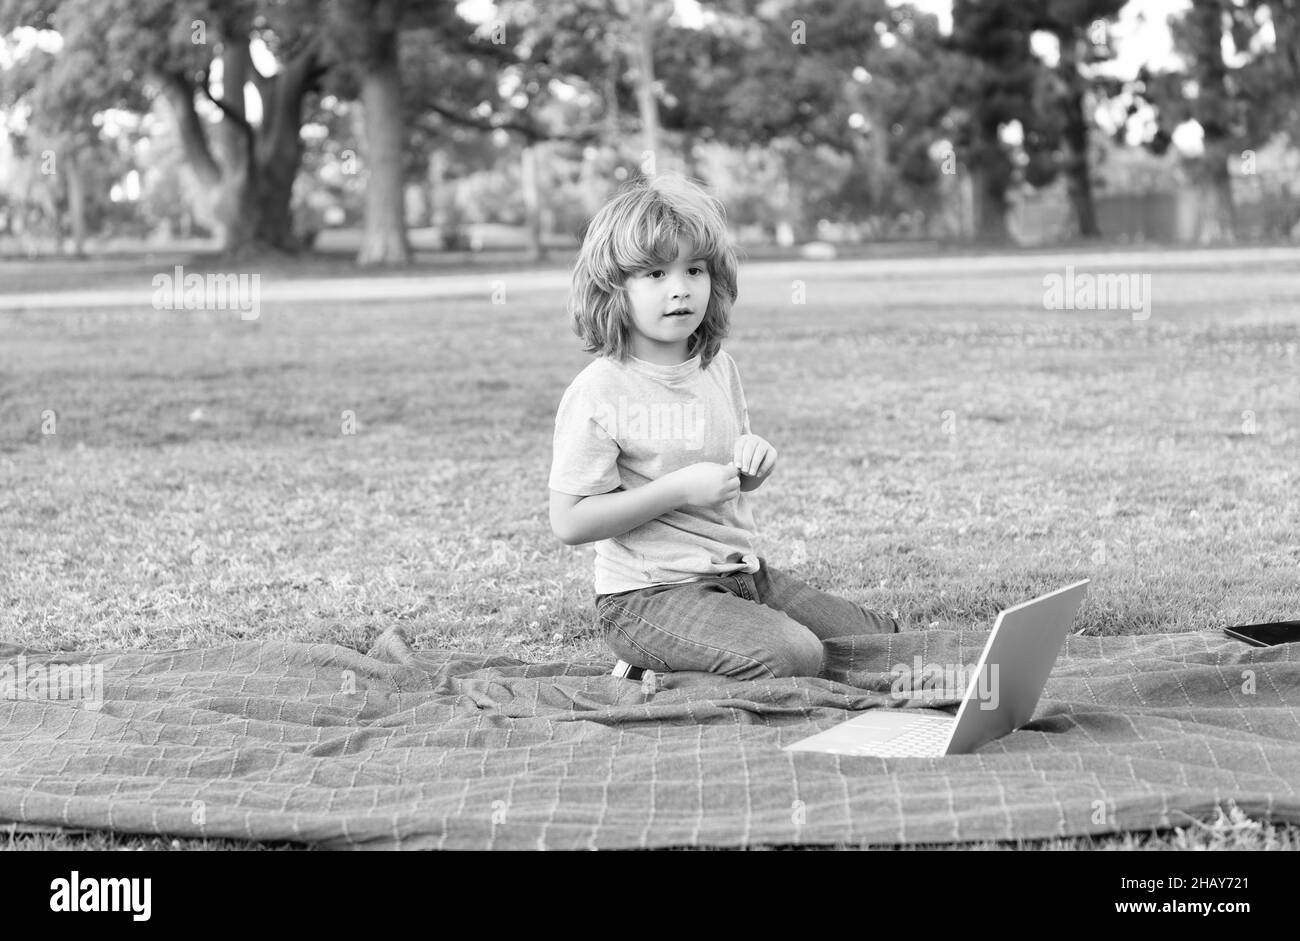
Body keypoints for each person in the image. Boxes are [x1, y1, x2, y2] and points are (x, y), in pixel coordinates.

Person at [548, 171, 900, 684]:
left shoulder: (717, 367)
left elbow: (726, 477)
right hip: (648, 597)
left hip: (739, 575)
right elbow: (569, 522)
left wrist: (752, 465)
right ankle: (653, 670)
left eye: (694, 270)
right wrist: (677, 489)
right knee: (794, 656)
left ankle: (740, 639)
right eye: (655, 274)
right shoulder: (600, 390)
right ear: (613, 287)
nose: (680, 289)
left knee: (883, 641)